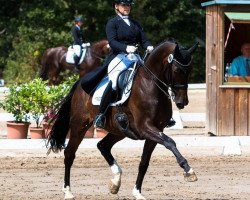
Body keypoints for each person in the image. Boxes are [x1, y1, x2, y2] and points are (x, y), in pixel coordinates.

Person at [93, 0, 154, 129]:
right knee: (114, 81)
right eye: (123, 5)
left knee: (151, 77)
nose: (126, 7)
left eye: (128, 5)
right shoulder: (112, 23)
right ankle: (101, 114)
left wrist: (148, 46)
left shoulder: (135, 23)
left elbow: (144, 39)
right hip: (119, 57)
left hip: (135, 57)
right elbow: (113, 42)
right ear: (116, 6)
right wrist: (126, 48)